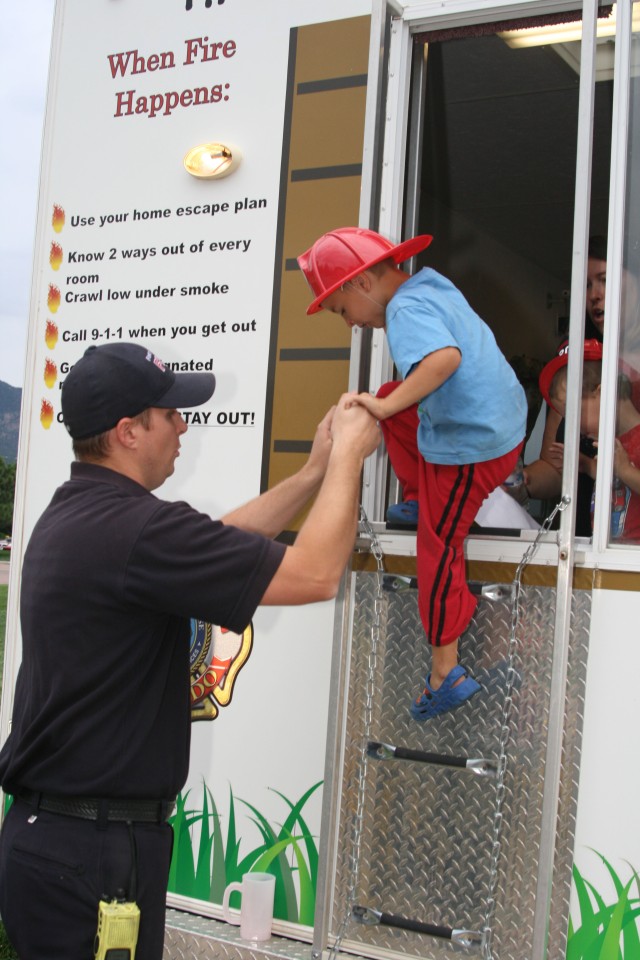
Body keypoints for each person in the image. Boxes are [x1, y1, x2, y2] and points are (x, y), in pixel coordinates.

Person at [0, 341, 380, 960]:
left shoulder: (83, 513)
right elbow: (316, 575)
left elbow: (221, 542)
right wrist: (351, 463)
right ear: (128, 431)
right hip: (89, 852)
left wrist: (313, 473)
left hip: (62, 841)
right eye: (170, 411)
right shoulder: (135, 529)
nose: (183, 424)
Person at [297, 227, 527, 721]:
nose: (349, 325)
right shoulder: (426, 286)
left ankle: (446, 670)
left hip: (474, 443)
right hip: (492, 420)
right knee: (394, 400)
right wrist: (389, 402)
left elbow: (445, 360)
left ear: (358, 284)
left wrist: (380, 405)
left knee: (437, 545)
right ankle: (423, 494)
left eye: (340, 311)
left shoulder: (402, 310)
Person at [540, 338, 640, 541]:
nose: (572, 423)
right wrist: (588, 467)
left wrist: (626, 471)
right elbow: (617, 482)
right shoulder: (612, 443)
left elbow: (623, 475)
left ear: (603, 392)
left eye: (573, 410)